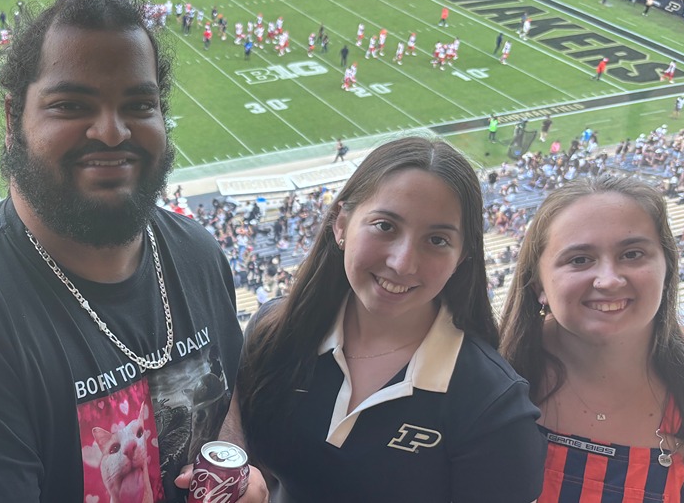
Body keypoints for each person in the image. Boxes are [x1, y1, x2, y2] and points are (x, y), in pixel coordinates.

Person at [0, 0, 263, 503]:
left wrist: (238, 479)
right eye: (71, 105)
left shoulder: (198, 255)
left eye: (139, 104)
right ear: (12, 117)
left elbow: (227, 405)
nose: (111, 132)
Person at [234, 137, 546, 502]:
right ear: (341, 225)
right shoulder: (274, 333)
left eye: (437, 240)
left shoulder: (493, 406)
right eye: (385, 226)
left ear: (462, 257)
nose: (402, 262)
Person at [499, 176, 684, 501]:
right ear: (538, 285)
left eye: (632, 254)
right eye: (579, 259)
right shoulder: (490, 373)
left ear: (667, 266)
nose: (608, 280)